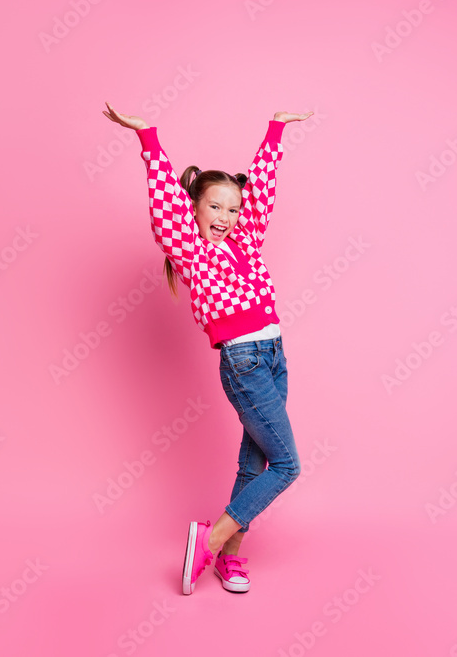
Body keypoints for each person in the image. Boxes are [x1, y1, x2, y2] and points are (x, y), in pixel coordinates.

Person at [102, 101, 314, 595]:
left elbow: (260, 193)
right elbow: (164, 202)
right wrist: (148, 138)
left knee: (254, 463)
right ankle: (213, 539)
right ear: (194, 208)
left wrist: (276, 130)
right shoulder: (190, 249)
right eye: (214, 206)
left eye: (232, 209)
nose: (225, 216)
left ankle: (230, 559)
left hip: (274, 354)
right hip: (243, 361)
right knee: (287, 465)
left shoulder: (247, 239)